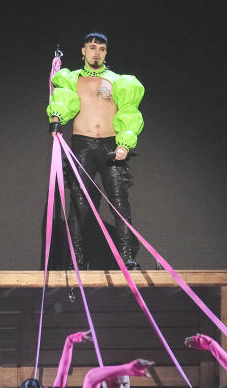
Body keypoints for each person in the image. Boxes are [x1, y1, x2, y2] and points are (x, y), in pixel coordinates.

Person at [47, 31, 145, 269]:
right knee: (79, 202)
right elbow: (63, 100)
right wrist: (56, 118)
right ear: (83, 50)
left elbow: (129, 112)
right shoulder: (73, 79)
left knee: (119, 201)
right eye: (92, 47)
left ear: (106, 52)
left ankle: (125, 257)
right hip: (83, 145)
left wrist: (124, 143)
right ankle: (76, 259)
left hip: (110, 145)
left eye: (101, 48)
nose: (96, 52)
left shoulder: (118, 81)